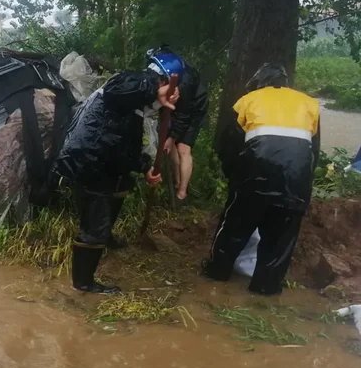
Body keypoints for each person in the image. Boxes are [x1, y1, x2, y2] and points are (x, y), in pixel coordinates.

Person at [53, 67, 179, 294]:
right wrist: (153, 90)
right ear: (160, 78)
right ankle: (83, 282)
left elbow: (126, 146)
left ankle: (106, 238)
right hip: (91, 163)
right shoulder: (134, 81)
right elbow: (116, 89)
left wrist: (145, 168)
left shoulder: (133, 106)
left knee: (118, 193)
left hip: (106, 163)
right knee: (94, 226)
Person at [203, 63, 320, 295]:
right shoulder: (309, 104)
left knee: (234, 227)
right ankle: (266, 288)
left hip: (253, 178)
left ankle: (217, 272)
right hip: (296, 182)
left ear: (259, 83)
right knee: (280, 240)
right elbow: (312, 151)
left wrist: (233, 179)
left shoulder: (248, 100)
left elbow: (229, 147)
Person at [146, 47, 208, 203]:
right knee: (170, 146)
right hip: (178, 108)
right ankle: (177, 181)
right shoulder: (166, 74)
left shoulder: (183, 86)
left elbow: (183, 116)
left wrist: (172, 137)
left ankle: (182, 194)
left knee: (183, 148)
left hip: (194, 108)